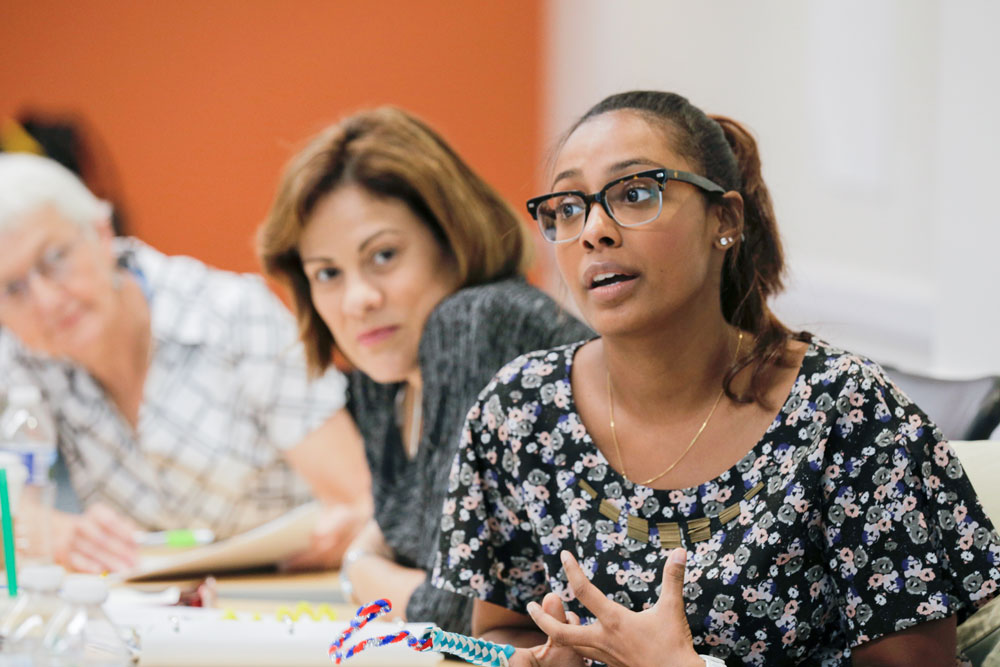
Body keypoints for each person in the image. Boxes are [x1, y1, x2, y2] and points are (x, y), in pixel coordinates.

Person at [432, 91, 1000, 666]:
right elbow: (503, 628)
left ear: (723, 219)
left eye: (635, 194)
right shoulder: (520, 409)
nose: (593, 231)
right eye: (569, 208)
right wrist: (541, 659)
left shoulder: (845, 411)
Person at [257, 106, 592, 634]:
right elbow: (406, 546)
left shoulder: (478, 323)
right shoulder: (382, 379)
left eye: (384, 255)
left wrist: (361, 570)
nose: (359, 299)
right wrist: (370, 558)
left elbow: (469, 608)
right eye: (328, 273)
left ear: (450, 238)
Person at [0, 153, 371, 574]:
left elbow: (355, 501)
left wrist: (344, 533)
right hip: (146, 605)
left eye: (54, 259)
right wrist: (55, 531)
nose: (45, 301)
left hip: (289, 589)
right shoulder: (19, 351)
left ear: (102, 235)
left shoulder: (232, 314)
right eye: (12, 288)